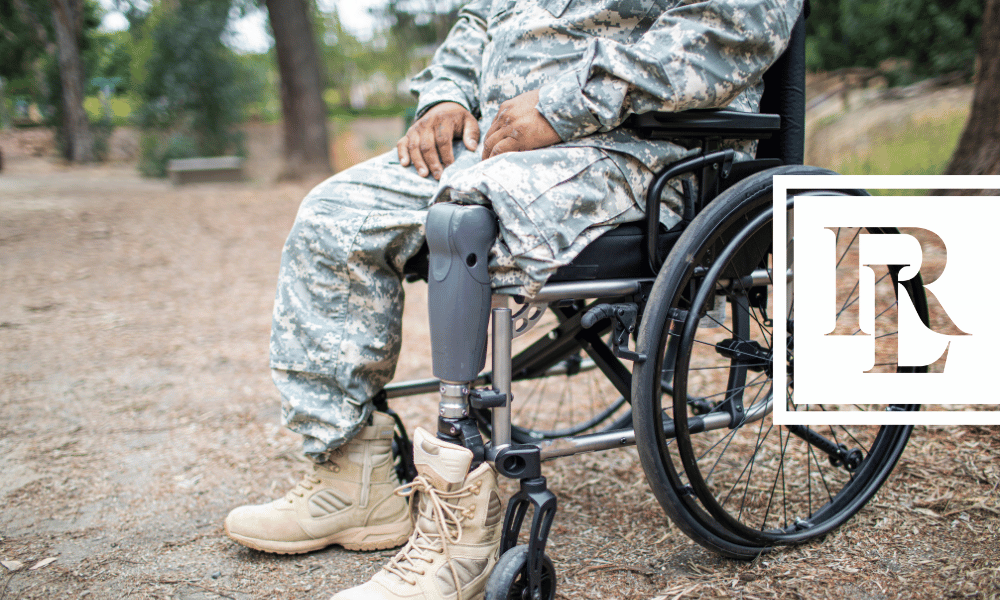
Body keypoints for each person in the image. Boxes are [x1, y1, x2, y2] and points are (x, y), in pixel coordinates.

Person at [225, 0, 803, 598]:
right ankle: (351, 475)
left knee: (464, 211)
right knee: (334, 214)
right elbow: (480, 21)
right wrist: (445, 97)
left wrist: (566, 103)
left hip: (638, 150)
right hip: (499, 147)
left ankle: (460, 533)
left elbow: (736, 28)